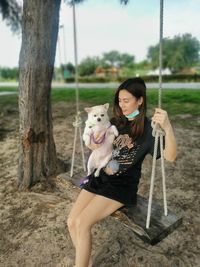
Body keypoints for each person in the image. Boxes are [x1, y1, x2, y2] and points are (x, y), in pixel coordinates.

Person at [67, 77, 177, 267]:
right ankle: (86, 261)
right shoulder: (116, 122)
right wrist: (90, 138)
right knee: (71, 221)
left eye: (126, 100)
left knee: (83, 223)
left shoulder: (149, 130)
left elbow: (171, 156)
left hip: (122, 185)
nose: (122, 105)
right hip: (101, 177)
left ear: (140, 100)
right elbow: (96, 138)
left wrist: (167, 127)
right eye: (119, 100)